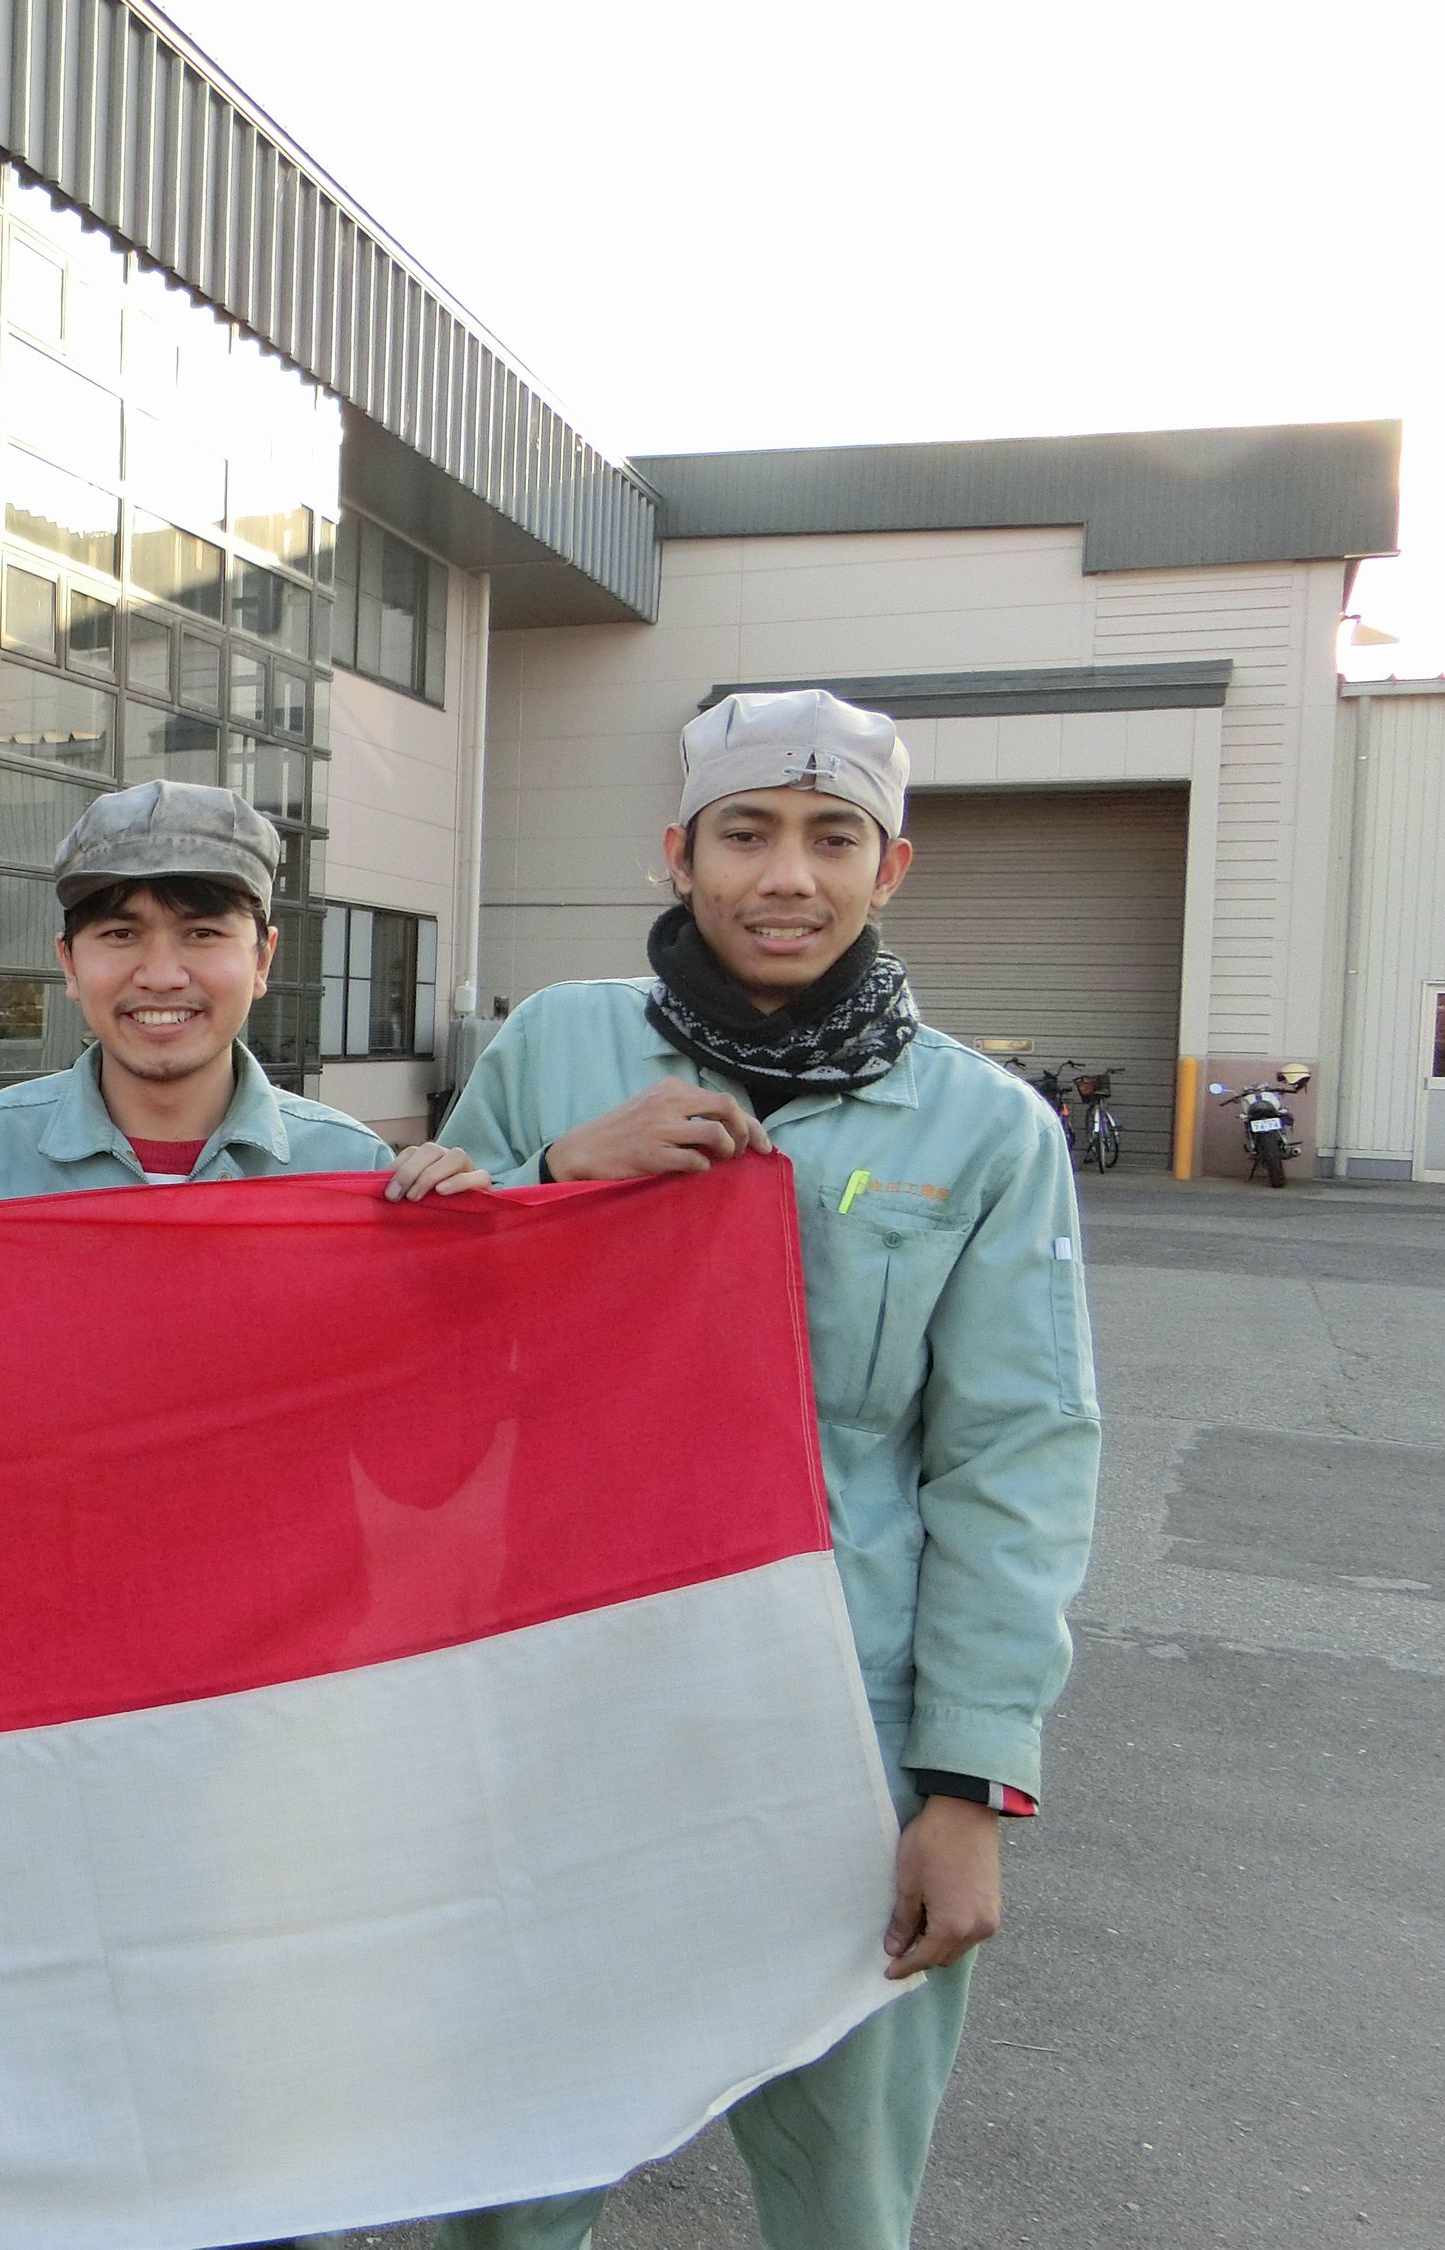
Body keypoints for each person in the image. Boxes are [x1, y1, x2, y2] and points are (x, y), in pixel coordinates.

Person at [430, 689, 1101, 2250]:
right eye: (746, 833)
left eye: (831, 837)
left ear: (891, 866)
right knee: (512, 2173)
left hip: (845, 1730)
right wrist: (553, 1179)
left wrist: (969, 1783)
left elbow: (1014, 1460)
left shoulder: (986, 1129)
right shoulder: (552, 1048)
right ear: (679, 852)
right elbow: (423, 1333)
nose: (785, 875)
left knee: (845, 2184)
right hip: (573, 1705)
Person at [0, 778, 484, 1242]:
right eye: (121, 934)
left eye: (202, 933)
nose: (161, 976)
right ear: (69, 962)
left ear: (263, 958)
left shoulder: (354, 1171)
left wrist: (467, 1241)